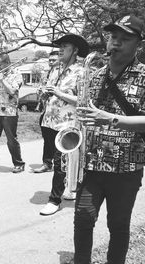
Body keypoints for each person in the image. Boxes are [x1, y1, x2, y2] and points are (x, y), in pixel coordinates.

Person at [74, 14, 145, 264]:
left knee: (118, 225)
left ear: (139, 43)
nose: (115, 43)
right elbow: (85, 113)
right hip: (92, 166)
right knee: (83, 219)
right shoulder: (93, 75)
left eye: (124, 39)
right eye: (113, 37)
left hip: (126, 168)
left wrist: (111, 119)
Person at [38, 34, 89, 216]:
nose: (60, 49)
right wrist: (44, 93)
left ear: (75, 50)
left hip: (67, 124)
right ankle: (70, 188)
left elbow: (83, 101)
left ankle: (54, 200)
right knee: (56, 160)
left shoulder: (81, 72)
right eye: (59, 46)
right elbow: (49, 90)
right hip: (50, 121)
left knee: (60, 162)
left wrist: (59, 93)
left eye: (64, 46)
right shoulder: (55, 69)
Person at [33, 50, 59, 173]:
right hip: (46, 111)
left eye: (54, 60)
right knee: (47, 139)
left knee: (58, 139)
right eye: (50, 60)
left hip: (59, 113)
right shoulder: (47, 74)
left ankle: (60, 164)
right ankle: (47, 163)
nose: (51, 62)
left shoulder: (63, 74)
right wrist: (40, 92)